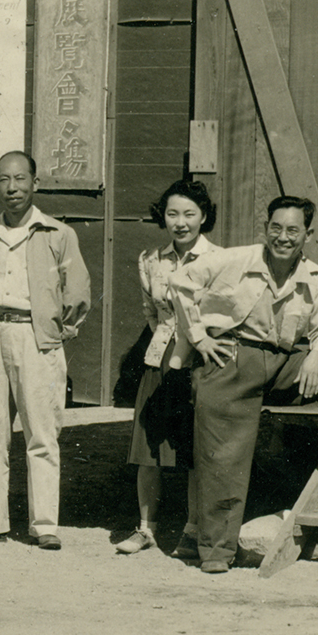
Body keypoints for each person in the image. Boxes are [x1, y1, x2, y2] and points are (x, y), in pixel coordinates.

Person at [173, 195, 318, 574]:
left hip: (280, 362)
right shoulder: (235, 260)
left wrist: (314, 355)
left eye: (293, 230)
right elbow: (180, 281)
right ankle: (215, 552)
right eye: (276, 228)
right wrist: (199, 338)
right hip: (232, 359)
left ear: (306, 234)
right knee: (223, 458)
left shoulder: (314, 278)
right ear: (266, 229)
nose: (283, 237)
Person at [0, 150, 92, 549]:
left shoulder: (57, 233)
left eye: (21, 179)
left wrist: (58, 331)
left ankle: (45, 525)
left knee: (42, 432)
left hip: (37, 338)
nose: (13, 187)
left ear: (35, 182)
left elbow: (79, 291)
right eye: (4, 179)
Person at [115, 178, 221, 558]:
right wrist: (164, 349)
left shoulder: (218, 260)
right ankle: (146, 529)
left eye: (190, 214)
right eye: (173, 213)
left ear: (203, 217)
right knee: (149, 450)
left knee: (195, 449)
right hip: (159, 358)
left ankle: (193, 531)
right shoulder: (150, 261)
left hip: (202, 359)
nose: (181, 222)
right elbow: (151, 312)